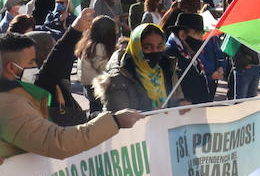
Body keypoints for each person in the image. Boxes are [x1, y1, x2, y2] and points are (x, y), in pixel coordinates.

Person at [0, 12, 140, 159]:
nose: (36, 66)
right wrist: (115, 122)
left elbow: (52, 67)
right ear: (11, 68)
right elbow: (57, 142)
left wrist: (75, 30)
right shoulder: (10, 104)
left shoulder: (28, 90)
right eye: (31, 62)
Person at [95, 23, 177, 111]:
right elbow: (120, 115)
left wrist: (180, 103)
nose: (155, 51)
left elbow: (174, 99)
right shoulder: (119, 76)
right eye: (148, 48)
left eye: (159, 47)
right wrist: (148, 112)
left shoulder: (167, 68)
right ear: (136, 47)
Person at [164, 12, 212, 105]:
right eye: (197, 34)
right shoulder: (169, 55)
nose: (201, 39)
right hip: (183, 113)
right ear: (182, 35)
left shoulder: (190, 53)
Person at [76, 14, 119, 112]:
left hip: (88, 81)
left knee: (95, 107)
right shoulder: (98, 47)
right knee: (98, 109)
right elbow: (102, 66)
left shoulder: (89, 43)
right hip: (95, 83)